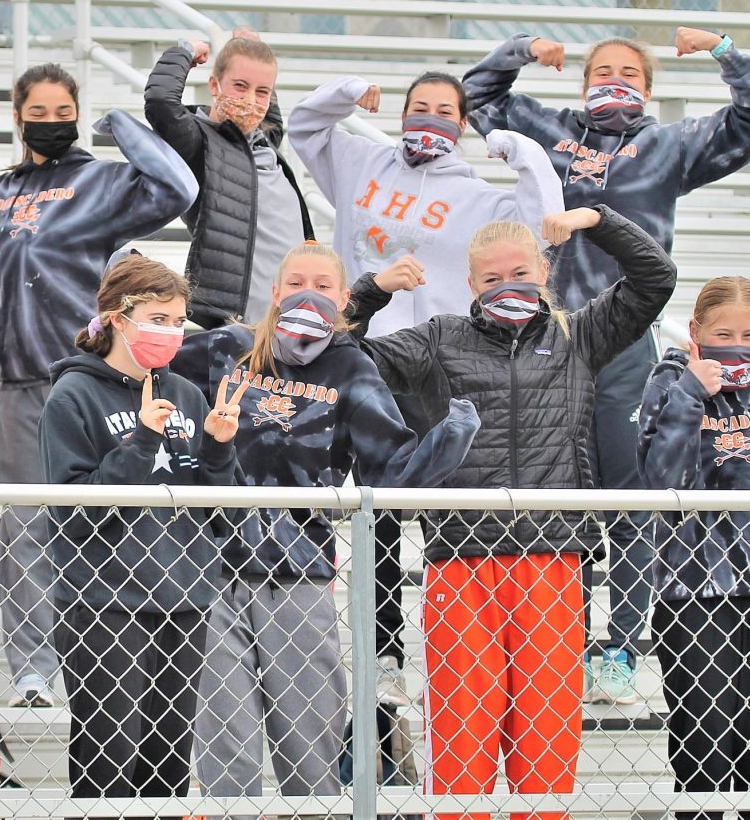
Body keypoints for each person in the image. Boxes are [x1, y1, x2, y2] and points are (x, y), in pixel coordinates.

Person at [463, 26, 750, 703]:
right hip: (552, 340)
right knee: (564, 499)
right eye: (602, 70)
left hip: (626, 339)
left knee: (634, 498)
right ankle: (563, 642)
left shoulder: (667, 144)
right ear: (582, 83)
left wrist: (726, 48)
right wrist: (523, 49)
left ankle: (618, 649)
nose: (615, 79)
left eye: (629, 72)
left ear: (646, 87)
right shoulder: (555, 131)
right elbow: (475, 95)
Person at [348, 206, 675, 820]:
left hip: (553, 561)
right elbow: (339, 350)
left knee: (545, 746)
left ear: (545, 272)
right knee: (461, 742)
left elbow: (655, 278)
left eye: (520, 273)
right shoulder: (439, 338)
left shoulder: (580, 335)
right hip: (460, 562)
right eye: (492, 279)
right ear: (471, 285)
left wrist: (595, 220)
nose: (507, 287)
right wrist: (373, 289)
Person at [171, 242, 480, 819]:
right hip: (210, 569)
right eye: (294, 283)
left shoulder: (351, 365)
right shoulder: (226, 349)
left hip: (300, 575)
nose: (305, 294)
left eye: (321, 284)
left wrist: (449, 437)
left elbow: (390, 469)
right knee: (225, 747)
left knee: (309, 749)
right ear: (274, 292)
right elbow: (146, 371)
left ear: (342, 300)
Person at [0, 65, 198, 707]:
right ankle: (34, 669)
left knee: (108, 519)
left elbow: (177, 185)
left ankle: (106, 653)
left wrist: (121, 126)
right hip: (23, 381)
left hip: (94, 382)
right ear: (19, 119)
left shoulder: (98, 180)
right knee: (26, 529)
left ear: (76, 112)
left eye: (61, 110)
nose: (50, 122)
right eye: (37, 112)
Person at [288, 68, 564, 705]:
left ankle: (459, 638)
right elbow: (303, 126)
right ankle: (381, 650)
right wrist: (347, 90)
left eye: (446, 110)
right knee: (371, 503)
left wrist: (523, 153)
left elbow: (543, 219)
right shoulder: (362, 162)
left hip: (433, 358)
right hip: (355, 351)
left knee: (437, 491)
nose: (430, 119)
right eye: (420, 107)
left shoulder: (477, 198)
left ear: (463, 123)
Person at [38, 252, 242, 803]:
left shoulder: (187, 395)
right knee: (108, 767)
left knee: (168, 771)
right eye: (159, 319)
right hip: (105, 605)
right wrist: (142, 443)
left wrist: (220, 449)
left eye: (178, 322)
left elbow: (221, 510)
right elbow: (75, 513)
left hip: (183, 599)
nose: (172, 333)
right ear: (116, 318)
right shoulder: (73, 395)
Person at [637, 277, 750, 820]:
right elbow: (660, 481)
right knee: (703, 742)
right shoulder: (668, 383)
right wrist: (691, 396)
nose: (738, 344)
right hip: (690, 590)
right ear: (696, 332)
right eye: (723, 333)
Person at [144, 29, 314, 328]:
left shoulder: (264, 141)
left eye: (262, 91)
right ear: (214, 84)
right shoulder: (199, 143)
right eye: (239, 86)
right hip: (242, 324)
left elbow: (269, 112)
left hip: (295, 316)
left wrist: (253, 48)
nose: (250, 100)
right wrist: (184, 52)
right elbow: (160, 102)